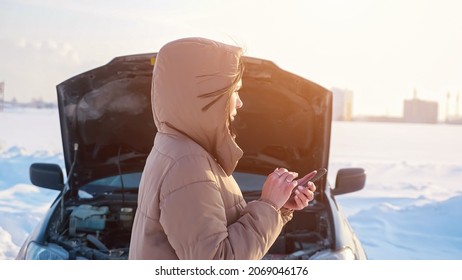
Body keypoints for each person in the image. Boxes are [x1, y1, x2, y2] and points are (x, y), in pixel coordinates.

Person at [128, 37, 317, 260]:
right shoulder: (187, 164)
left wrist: (278, 208)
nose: (240, 103)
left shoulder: (176, 146)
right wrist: (268, 204)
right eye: (235, 91)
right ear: (203, 94)